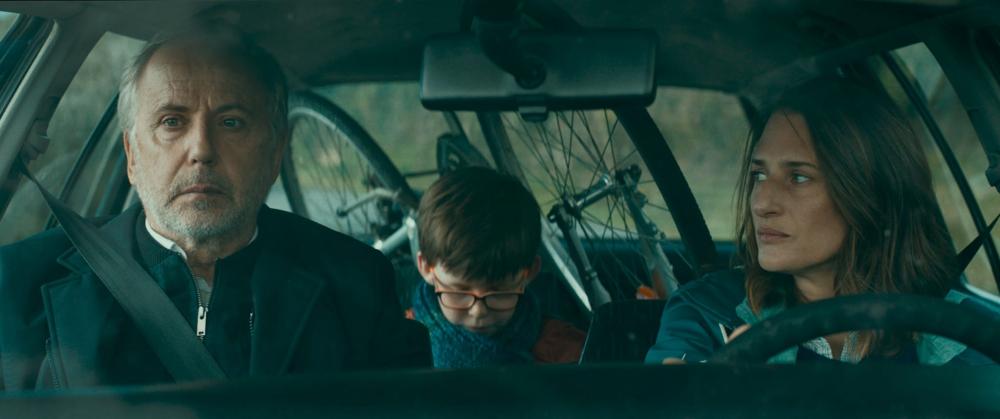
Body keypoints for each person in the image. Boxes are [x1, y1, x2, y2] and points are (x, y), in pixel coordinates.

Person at [0, 26, 430, 390]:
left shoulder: (358, 283)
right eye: (172, 122)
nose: (201, 149)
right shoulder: (18, 286)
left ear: (275, 152)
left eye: (231, 122)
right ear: (132, 155)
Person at [645, 78, 994, 365]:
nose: (762, 203)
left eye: (799, 178)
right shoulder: (708, 313)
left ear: (871, 193)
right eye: (759, 175)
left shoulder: (961, 332)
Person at [410, 167, 586, 368]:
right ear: (426, 268)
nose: (478, 312)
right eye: (459, 292)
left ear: (530, 273)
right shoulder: (398, 345)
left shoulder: (566, 352)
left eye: (499, 293)